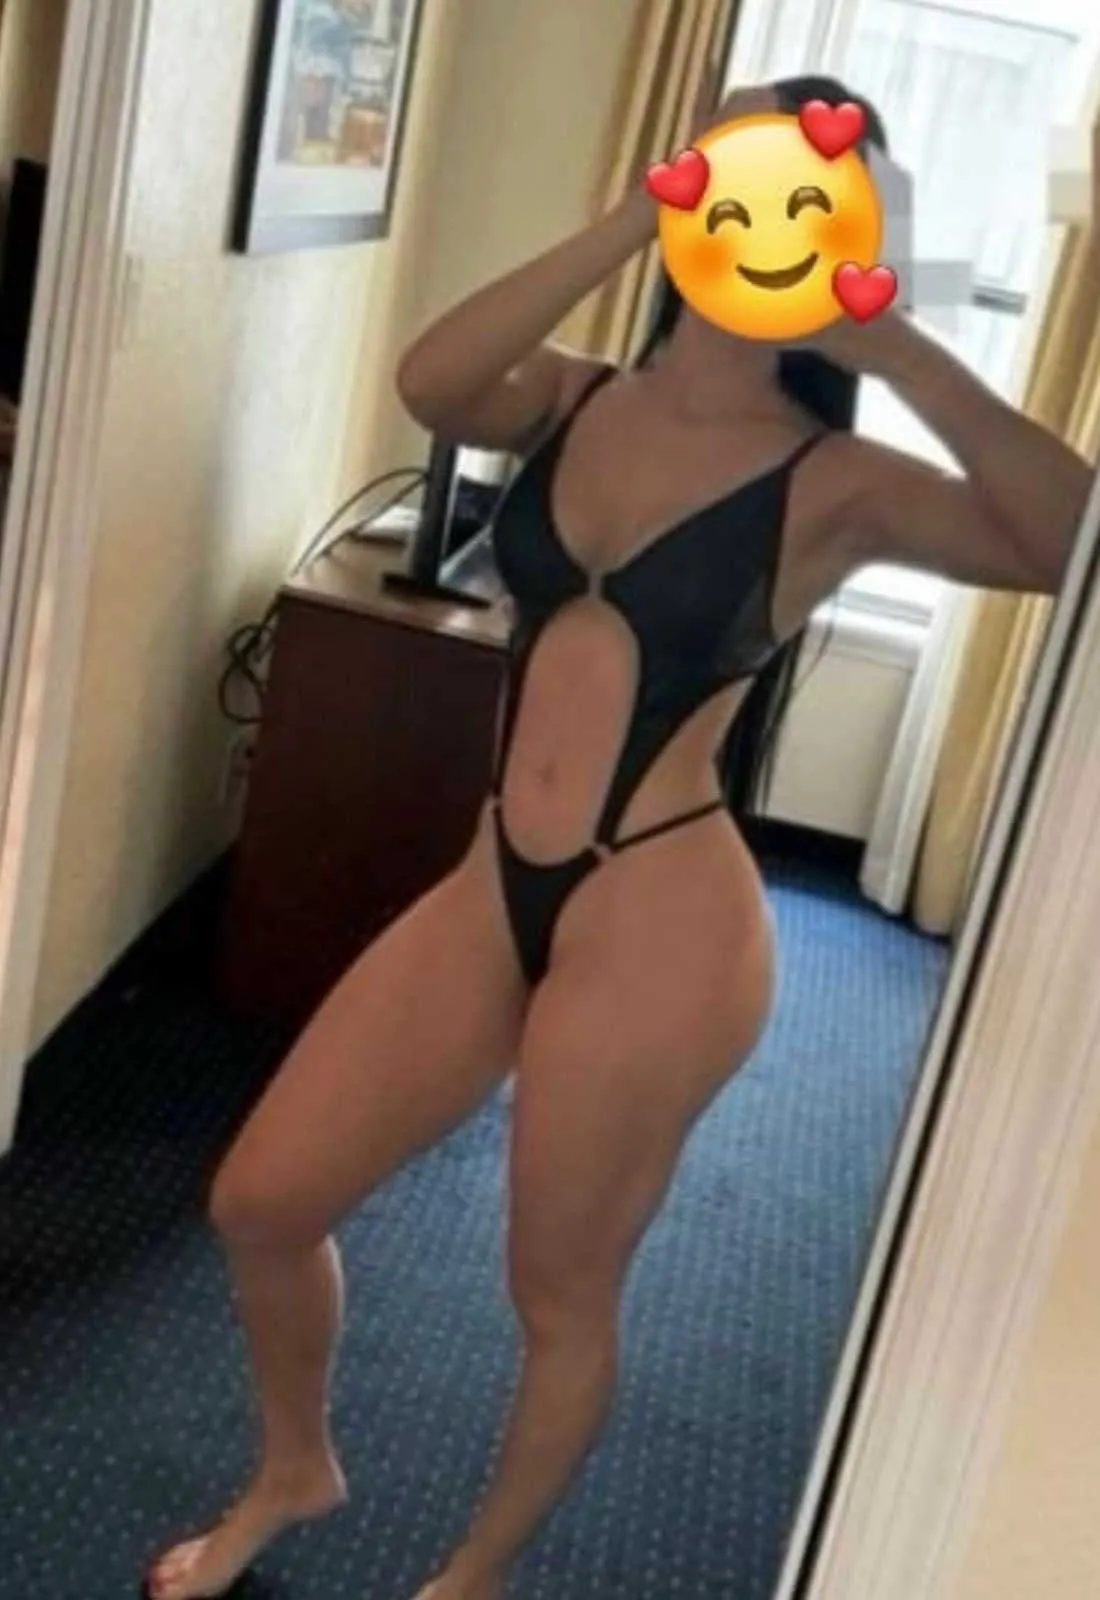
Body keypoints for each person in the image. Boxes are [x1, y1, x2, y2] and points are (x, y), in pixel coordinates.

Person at [147, 75, 1091, 1600]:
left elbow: (1070, 533)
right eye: (728, 174)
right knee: (261, 1202)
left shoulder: (837, 481)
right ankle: (293, 1467)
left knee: (557, 1295)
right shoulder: (571, 398)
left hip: (666, 917)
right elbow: (434, 379)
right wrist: (623, 225)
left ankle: (470, 1579)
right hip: (493, 879)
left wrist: (891, 339)